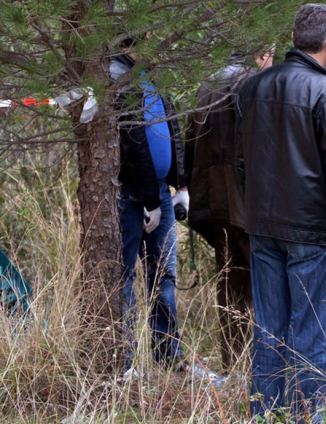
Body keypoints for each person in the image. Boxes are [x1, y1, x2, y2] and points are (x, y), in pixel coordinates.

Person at [237, 3, 326, 421]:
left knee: (270, 333)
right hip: (313, 234)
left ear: (296, 38)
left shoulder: (254, 88)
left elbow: (242, 162)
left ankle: (266, 415)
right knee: (313, 338)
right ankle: (309, 417)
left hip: (264, 227)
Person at [111, 38, 220, 383]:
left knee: (163, 279)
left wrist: (181, 184)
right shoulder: (116, 78)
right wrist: (149, 201)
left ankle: (170, 358)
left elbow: (170, 126)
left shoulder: (151, 76)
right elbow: (134, 143)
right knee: (124, 280)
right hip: (131, 196)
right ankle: (124, 363)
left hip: (158, 193)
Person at [184, 47, 274, 376]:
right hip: (246, 205)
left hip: (212, 203)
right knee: (266, 286)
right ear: (261, 53)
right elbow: (261, 148)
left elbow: (189, 144)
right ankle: (267, 373)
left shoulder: (205, 86)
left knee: (230, 287)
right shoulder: (254, 84)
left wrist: (186, 187)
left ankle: (234, 369)